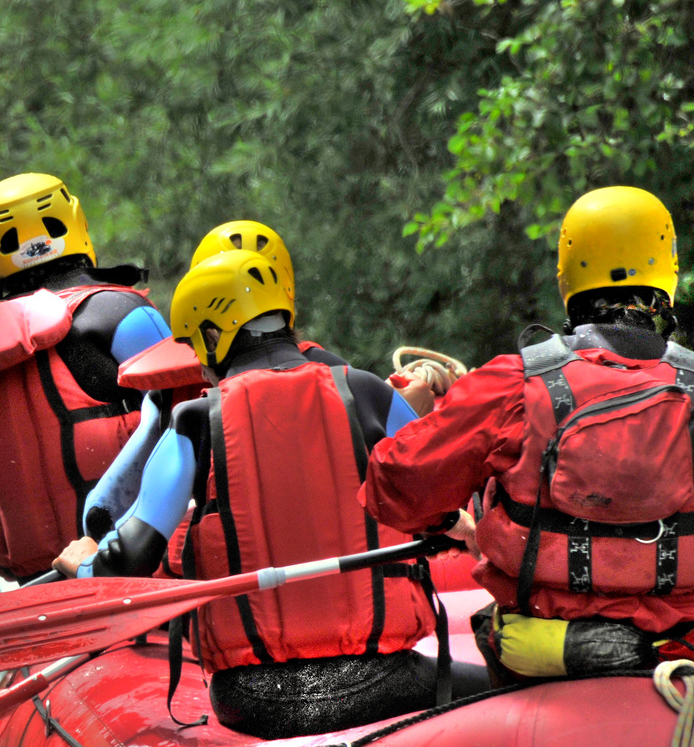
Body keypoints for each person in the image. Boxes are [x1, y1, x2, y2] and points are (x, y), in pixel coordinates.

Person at [53, 250, 481, 738]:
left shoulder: (193, 422)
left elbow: (129, 560)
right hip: (382, 679)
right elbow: (441, 494)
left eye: (196, 346)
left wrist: (83, 565)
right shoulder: (368, 393)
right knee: (503, 681)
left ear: (214, 336)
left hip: (253, 698)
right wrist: (463, 526)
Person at [362, 186, 694, 685]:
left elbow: (393, 487)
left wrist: (451, 519)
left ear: (568, 275)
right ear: (668, 277)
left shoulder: (514, 383)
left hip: (542, 650)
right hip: (679, 650)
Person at [78, 220, 454, 542]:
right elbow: (432, 480)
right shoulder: (349, 382)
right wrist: (412, 412)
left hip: (231, 595)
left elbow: (101, 516)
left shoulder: (170, 401)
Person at [0, 173, 172, 581]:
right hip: (137, 564)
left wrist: (4, 476)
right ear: (76, 225)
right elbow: (191, 423)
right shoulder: (121, 314)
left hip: (38, 587)